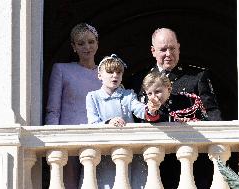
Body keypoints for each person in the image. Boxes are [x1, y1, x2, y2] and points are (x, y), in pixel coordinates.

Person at [85, 54, 160, 189]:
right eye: (110, 72)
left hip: (129, 151)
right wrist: (108, 123)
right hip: (105, 152)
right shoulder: (93, 97)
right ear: (99, 75)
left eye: (118, 72)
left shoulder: (128, 94)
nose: (115, 75)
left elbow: (139, 110)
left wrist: (151, 109)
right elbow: (93, 123)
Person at [45, 23, 101, 189]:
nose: (87, 47)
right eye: (81, 43)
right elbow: (53, 109)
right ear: (73, 47)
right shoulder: (62, 69)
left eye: (91, 42)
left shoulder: (107, 73)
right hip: (68, 139)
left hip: (97, 139)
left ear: (97, 43)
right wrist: (52, 142)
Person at [128, 27, 222, 121]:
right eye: (163, 49)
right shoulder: (139, 79)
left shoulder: (197, 76)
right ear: (153, 51)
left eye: (172, 48)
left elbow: (212, 113)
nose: (168, 54)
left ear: (178, 48)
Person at [142, 71, 208, 122]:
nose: (154, 97)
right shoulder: (149, 109)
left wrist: (191, 121)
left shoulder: (187, 100)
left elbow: (204, 119)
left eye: (157, 92)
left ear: (169, 89)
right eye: (149, 94)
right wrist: (152, 112)